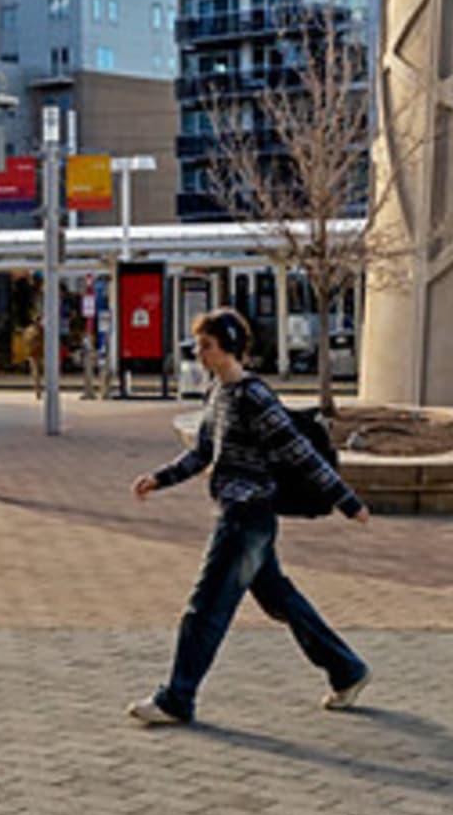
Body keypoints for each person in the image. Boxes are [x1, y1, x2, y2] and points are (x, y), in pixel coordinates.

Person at [128, 307, 372, 726]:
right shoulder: (218, 393)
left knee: (204, 609)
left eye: (207, 346)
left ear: (229, 347)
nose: (199, 354)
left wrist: (346, 500)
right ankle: (347, 670)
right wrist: (159, 478)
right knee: (283, 603)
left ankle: (177, 699)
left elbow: (300, 452)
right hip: (241, 514)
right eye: (199, 346)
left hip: (246, 519)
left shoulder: (253, 396)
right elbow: (204, 452)